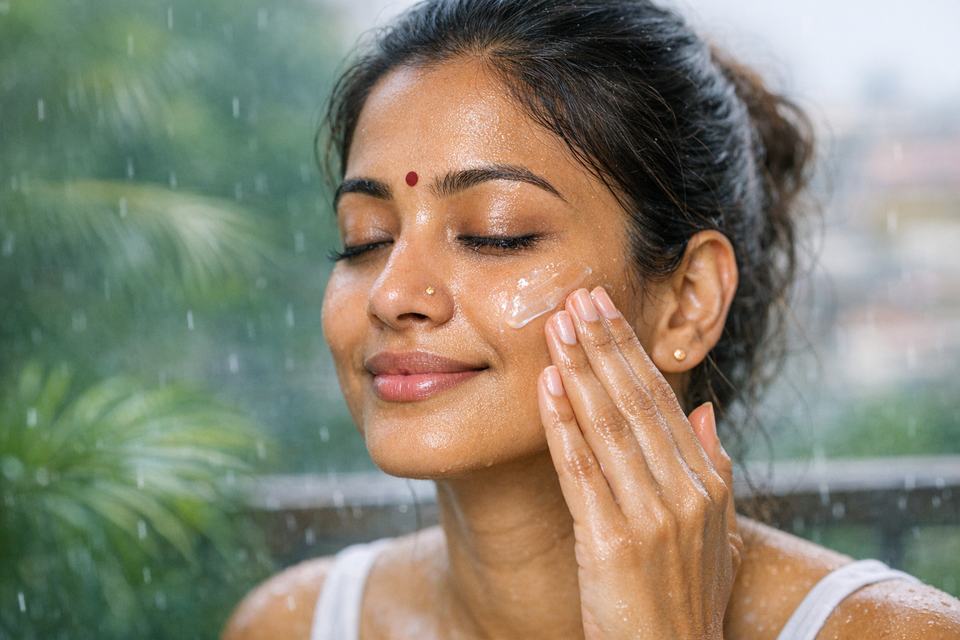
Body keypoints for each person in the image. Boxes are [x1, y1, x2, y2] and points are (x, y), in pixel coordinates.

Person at [222, 0, 960, 637]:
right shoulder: (291, 626)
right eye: (365, 240)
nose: (391, 292)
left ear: (688, 299)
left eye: (496, 232)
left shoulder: (893, 633)